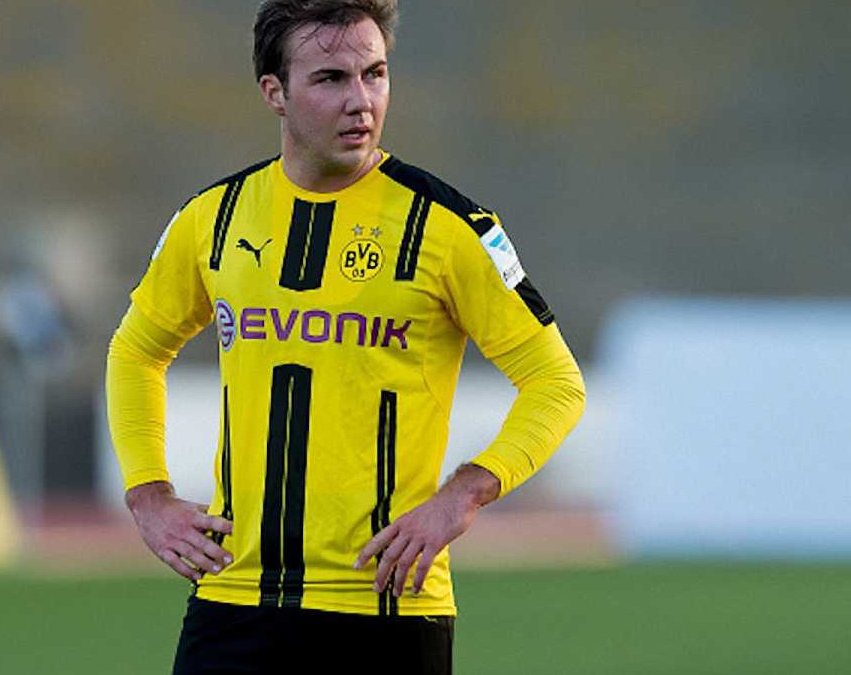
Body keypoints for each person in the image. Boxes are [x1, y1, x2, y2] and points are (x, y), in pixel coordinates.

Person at [106, 1, 585, 673]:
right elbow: (135, 350)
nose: (361, 100)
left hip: (387, 607)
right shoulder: (213, 219)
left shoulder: (448, 227)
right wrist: (147, 493)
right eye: (331, 78)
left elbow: (556, 383)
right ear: (274, 92)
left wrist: (464, 494)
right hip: (232, 602)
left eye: (375, 74)